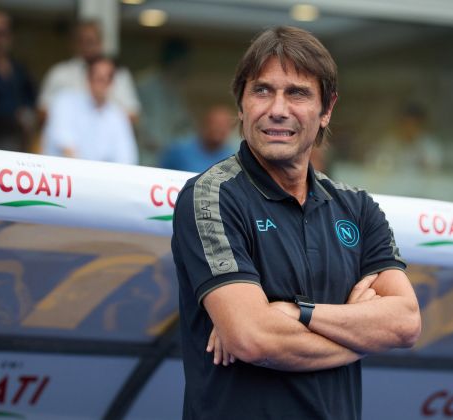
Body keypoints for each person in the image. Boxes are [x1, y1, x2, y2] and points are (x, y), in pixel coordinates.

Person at [171, 26, 421, 419]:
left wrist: (296, 312)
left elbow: (405, 322)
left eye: (297, 93)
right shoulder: (211, 196)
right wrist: (360, 336)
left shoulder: (356, 207)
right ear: (241, 105)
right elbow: (253, 338)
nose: (277, 109)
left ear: (327, 110)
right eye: (262, 90)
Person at [38, 20, 140, 123]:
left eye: (91, 41)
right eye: (82, 41)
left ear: (101, 42)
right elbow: (43, 111)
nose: (87, 46)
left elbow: (133, 115)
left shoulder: (119, 74)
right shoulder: (59, 73)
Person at [42, 57, 138, 165]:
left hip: (97, 178)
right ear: (88, 79)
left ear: (112, 82)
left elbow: (126, 158)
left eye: (108, 78)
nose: (103, 84)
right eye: (99, 78)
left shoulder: (117, 116)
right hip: (61, 175)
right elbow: (65, 147)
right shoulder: (65, 102)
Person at [0, 9, 36, 152]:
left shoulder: (19, 70)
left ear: (10, 36)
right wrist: (17, 114)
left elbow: (31, 98)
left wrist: (27, 115)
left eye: (2, 33)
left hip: (17, 149)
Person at [137, 38, 196, 167]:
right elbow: (138, 122)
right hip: (146, 157)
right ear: (175, 60)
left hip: (170, 159)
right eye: (184, 60)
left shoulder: (177, 89)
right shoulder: (146, 84)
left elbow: (185, 126)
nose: (186, 65)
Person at [366, 102, 442, 173]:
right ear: (400, 123)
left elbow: (433, 170)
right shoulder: (389, 143)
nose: (409, 128)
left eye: (414, 124)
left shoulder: (429, 146)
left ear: (421, 125)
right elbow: (376, 166)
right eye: (406, 124)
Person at [159, 105, 235, 173]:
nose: (219, 129)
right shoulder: (179, 150)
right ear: (205, 124)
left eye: (224, 125)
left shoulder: (232, 160)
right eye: (216, 124)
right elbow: (160, 174)